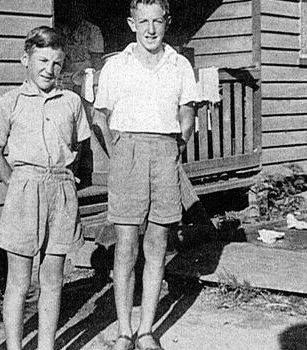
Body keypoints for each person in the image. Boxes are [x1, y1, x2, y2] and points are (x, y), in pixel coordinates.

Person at [93, 1, 200, 350]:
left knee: (157, 244)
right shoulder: (116, 66)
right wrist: (119, 153)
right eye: (143, 22)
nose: (150, 29)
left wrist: (174, 150)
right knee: (125, 245)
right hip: (127, 152)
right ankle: (124, 330)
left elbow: (187, 116)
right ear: (131, 23)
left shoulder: (179, 64)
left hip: (165, 152)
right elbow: (99, 118)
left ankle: (146, 331)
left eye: (157, 21)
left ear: (166, 22)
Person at [0, 26, 91, 350]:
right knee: (18, 281)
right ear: (25, 59)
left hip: (60, 189)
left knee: (53, 278)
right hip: (23, 190)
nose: (49, 69)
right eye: (42, 60)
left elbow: (83, 151)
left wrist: (71, 184)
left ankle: (47, 345)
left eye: (57, 63)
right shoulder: (9, 102)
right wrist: (16, 184)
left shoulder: (72, 102)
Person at [56, 0, 105, 90]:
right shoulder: (60, 31)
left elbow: (97, 62)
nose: (73, 12)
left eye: (77, 8)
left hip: (83, 80)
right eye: (70, 9)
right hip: (62, 78)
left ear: (82, 11)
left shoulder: (93, 30)